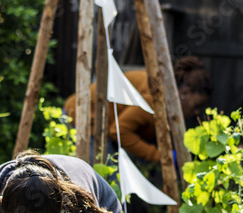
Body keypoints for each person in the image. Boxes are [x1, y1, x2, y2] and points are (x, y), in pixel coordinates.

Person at [62, 56, 213, 162]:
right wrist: (158, 156)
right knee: (110, 182)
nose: (196, 112)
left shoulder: (164, 96)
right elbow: (119, 131)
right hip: (80, 116)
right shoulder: (155, 101)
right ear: (184, 93)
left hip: (98, 124)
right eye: (196, 106)